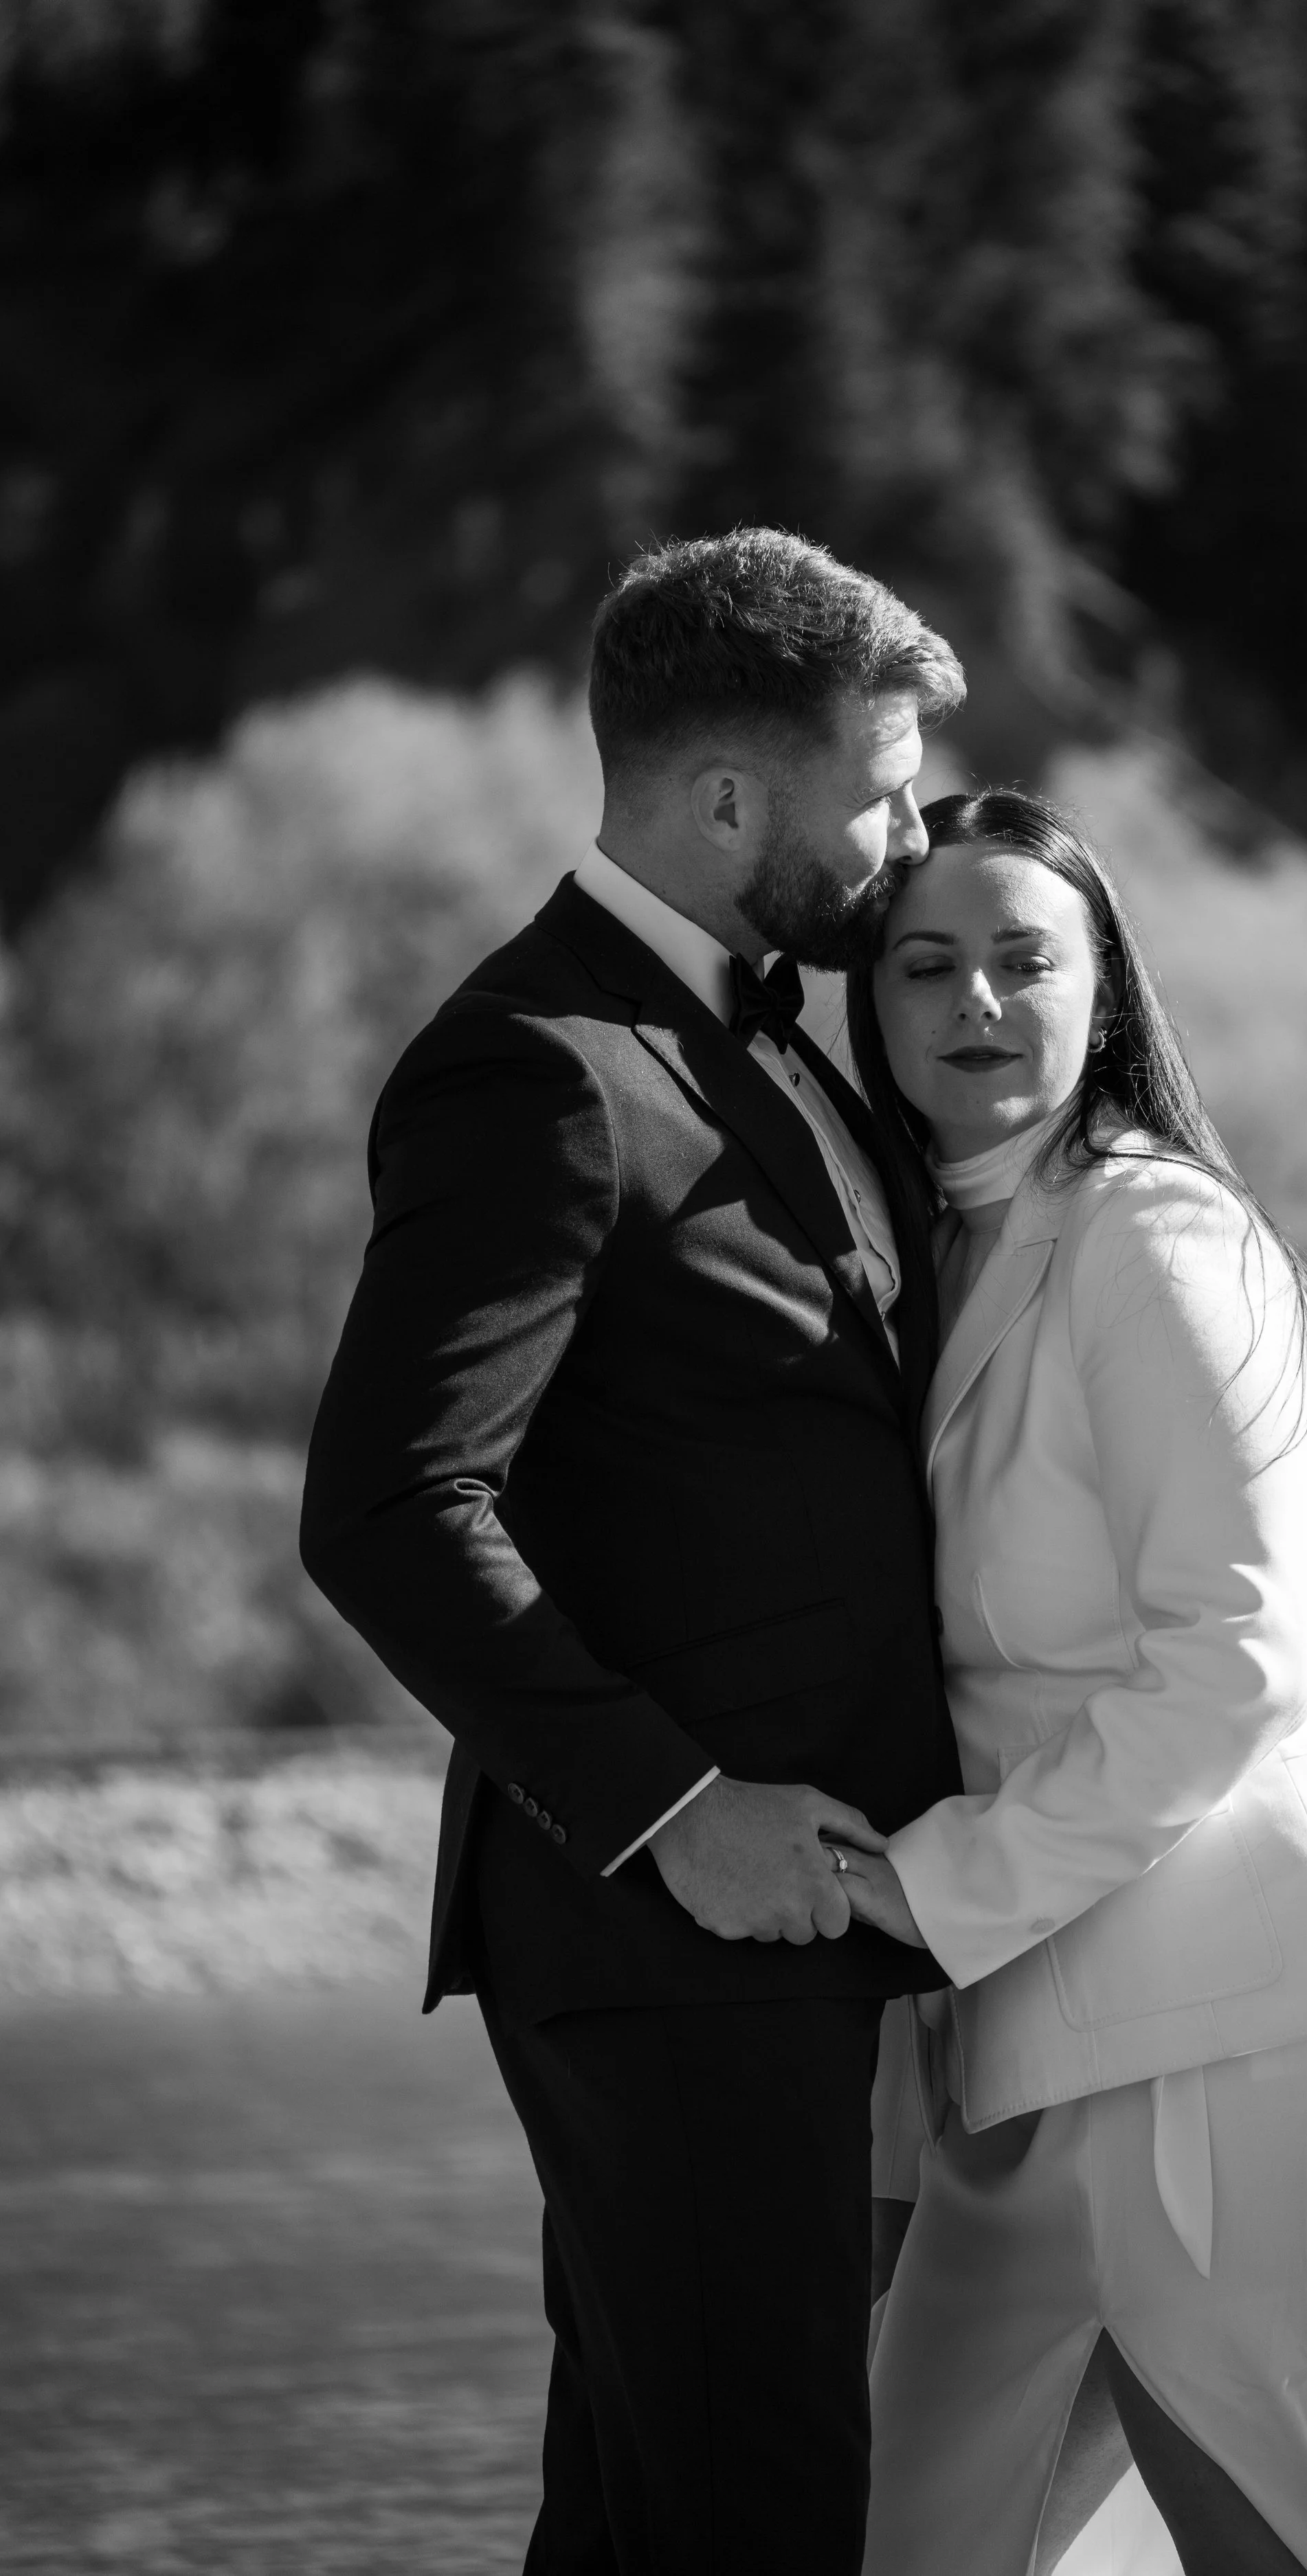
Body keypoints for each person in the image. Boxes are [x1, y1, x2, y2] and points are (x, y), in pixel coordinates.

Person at [298, 528, 968, 2575]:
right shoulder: (541, 1073)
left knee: (644, 2520)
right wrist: (671, 1807)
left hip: (793, 1949)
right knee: (750, 2519)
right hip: (667, 1940)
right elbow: (390, 1507)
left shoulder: (779, 1041)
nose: (911, 830)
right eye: (880, 787)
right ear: (726, 799)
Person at [836, 789, 1307, 2576]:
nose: (976, 998)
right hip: (1026, 2057)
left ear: (1102, 987)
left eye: (1024, 958)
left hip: (1252, 2032)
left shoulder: (1152, 1234)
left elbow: (1246, 1652)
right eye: (926, 962)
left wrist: (918, 1895)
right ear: (870, 1007)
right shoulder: (931, 1255)